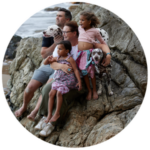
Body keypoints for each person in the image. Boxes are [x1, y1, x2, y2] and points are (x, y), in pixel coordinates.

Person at [14, 8, 72, 118]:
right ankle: (24, 106)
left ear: (67, 19)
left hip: (60, 67)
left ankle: (35, 111)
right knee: (29, 88)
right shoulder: (50, 31)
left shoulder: (71, 34)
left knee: (47, 88)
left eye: (60, 16)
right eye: (56, 15)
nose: (57, 17)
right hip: (47, 64)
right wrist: (56, 43)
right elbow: (43, 54)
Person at [34, 21, 87, 137]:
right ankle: (45, 116)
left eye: (65, 32)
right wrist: (62, 66)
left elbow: (81, 70)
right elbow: (52, 64)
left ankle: (52, 124)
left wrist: (74, 76)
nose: (63, 34)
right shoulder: (62, 45)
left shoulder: (81, 47)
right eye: (63, 31)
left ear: (74, 33)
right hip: (61, 78)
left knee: (61, 94)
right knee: (46, 89)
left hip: (76, 81)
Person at [43, 40, 82, 124]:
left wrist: (79, 82)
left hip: (68, 80)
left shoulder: (70, 59)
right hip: (59, 80)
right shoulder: (57, 58)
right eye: (57, 48)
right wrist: (47, 59)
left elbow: (75, 70)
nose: (58, 51)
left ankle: (57, 113)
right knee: (51, 94)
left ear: (67, 51)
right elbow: (45, 63)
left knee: (59, 93)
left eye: (60, 49)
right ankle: (49, 114)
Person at [76, 11, 111, 100]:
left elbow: (103, 43)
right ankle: (89, 90)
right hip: (80, 54)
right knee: (84, 73)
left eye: (82, 20)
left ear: (89, 21)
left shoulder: (95, 31)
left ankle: (94, 90)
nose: (80, 22)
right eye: (80, 20)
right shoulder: (80, 28)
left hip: (89, 54)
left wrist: (107, 55)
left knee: (91, 73)